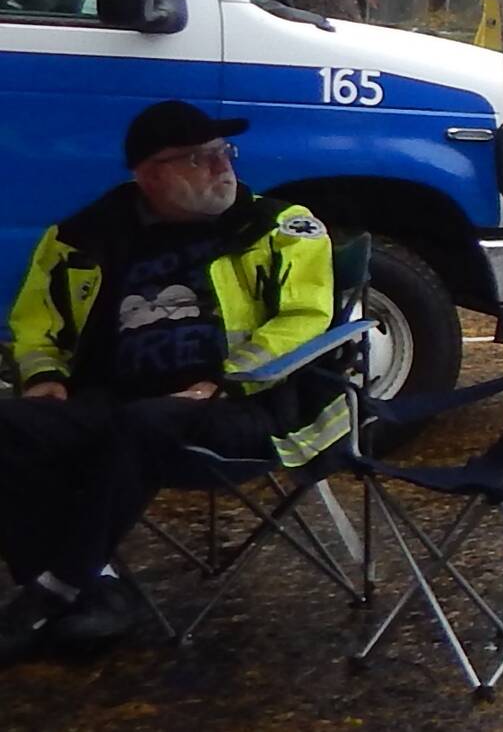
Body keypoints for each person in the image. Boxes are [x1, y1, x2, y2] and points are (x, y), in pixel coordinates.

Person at [0, 101, 341, 661]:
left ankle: (49, 593)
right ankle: (97, 584)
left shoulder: (278, 227)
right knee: (12, 425)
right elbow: (36, 323)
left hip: (243, 406)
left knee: (145, 425)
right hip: (113, 398)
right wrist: (43, 377)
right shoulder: (79, 240)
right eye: (196, 159)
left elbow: (306, 320)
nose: (220, 168)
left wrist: (226, 380)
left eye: (222, 153)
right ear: (149, 176)